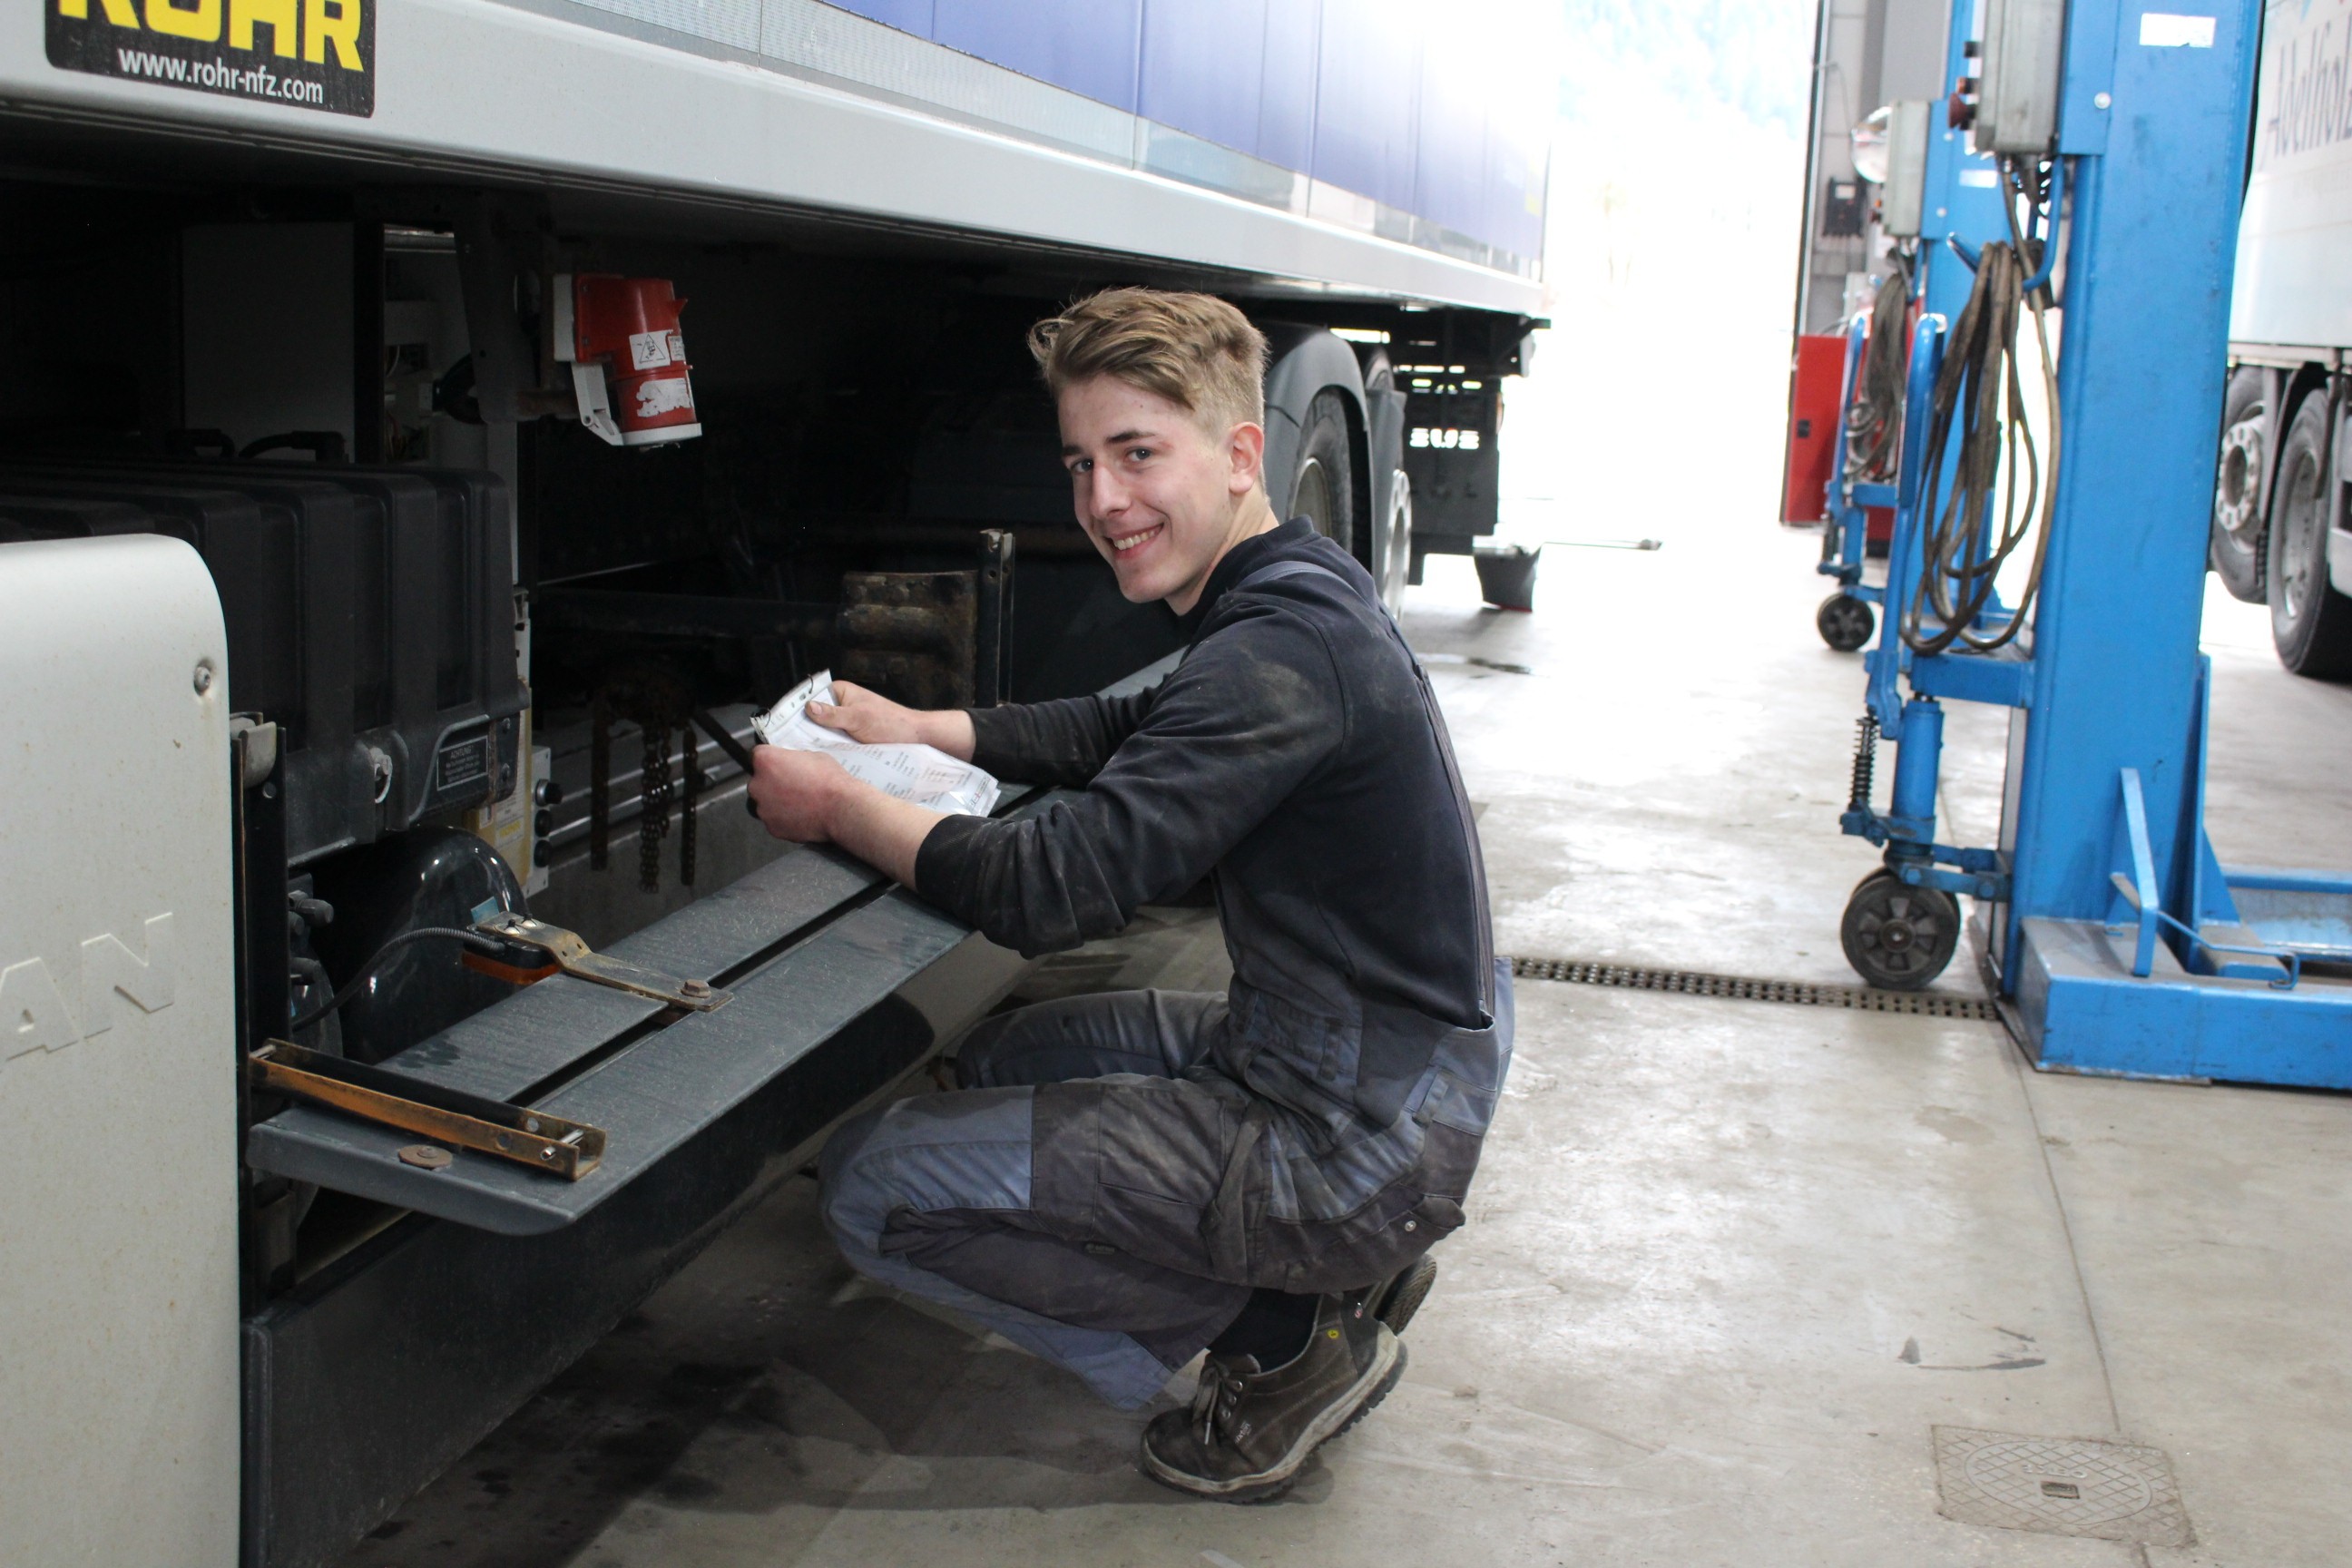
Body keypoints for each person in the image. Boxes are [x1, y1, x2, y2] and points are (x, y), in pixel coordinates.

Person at [746, 287, 1511, 1502]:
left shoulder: (1276, 654)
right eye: (1082, 462)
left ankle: (1282, 1340)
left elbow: (1052, 888)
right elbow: (1122, 723)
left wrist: (839, 804)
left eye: (1139, 453)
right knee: (1004, 1057)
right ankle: (1329, 1268)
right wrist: (920, 728)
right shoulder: (1295, 585)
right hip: (1374, 1053)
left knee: (875, 1188)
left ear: (1241, 453)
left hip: (1359, 1127)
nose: (1104, 501)